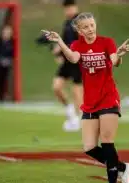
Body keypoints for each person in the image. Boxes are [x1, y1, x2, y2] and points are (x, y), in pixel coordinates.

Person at [42, 12, 129, 183]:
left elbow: (114, 61)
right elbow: (73, 58)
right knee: (90, 147)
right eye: (86, 27)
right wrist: (59, 40)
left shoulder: (107, 42)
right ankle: (123, 167)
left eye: (92, 25)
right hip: (90, 102)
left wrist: (120, 55)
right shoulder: (77, 45)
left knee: (107, 141)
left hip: (108, 98)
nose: (90, 29)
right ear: (79, 30)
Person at [37, 0, 83, 132]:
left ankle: (80, 121)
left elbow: (80, 43)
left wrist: (62, 49)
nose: (68, 10)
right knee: (57, 87)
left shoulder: (80, 22)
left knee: (77, 92)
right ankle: (71, 114)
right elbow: (63, 42)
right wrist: (57, 52)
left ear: (75, 7)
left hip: (78, 60)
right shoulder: (67, 23)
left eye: (70, 7)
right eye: (66, 8)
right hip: (67, 61)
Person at [0, 25, 14, 101]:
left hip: (7, 64)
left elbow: (12, 53)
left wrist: (8, 60)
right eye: (5, 32)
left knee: (5, 79)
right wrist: (0, 60)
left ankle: (4, 96)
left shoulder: (12, 42)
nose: (7, 34)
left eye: (8, 32)